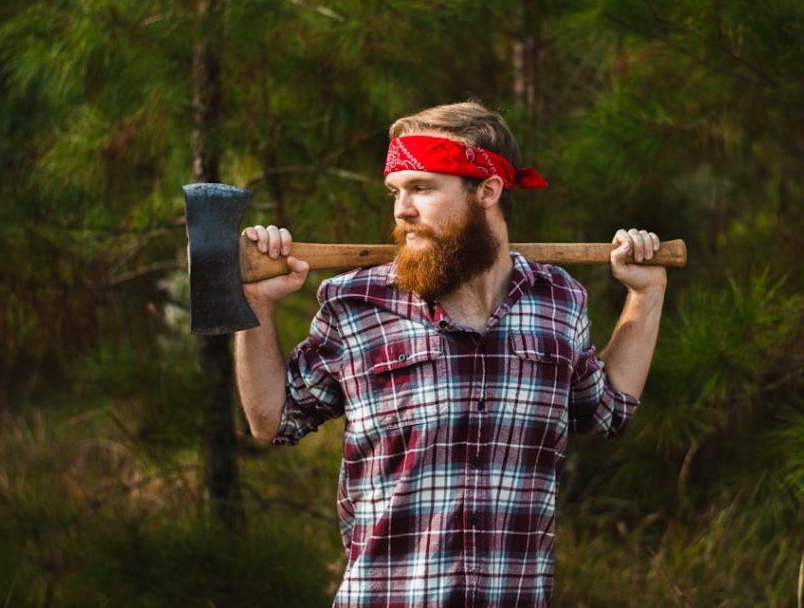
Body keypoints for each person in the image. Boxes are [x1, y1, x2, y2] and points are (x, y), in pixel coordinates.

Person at [234, 101, 667, 607]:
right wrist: (258, 303)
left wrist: (646, 295)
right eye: (396, 191)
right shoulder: (355, 305)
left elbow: (608, 411)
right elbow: (273, 420)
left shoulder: (558, 301)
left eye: (422, 188)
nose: (401, 210)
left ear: (487, 191)